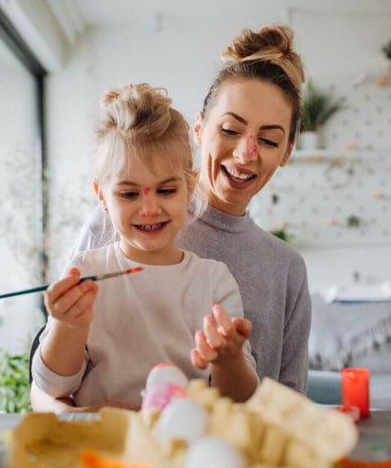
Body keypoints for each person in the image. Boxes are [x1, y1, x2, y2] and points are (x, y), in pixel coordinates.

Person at [31, 23, 311, 413]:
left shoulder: (282, 269)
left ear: (286, 151)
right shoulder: (114, 222)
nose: (247, 153)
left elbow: (289, 407)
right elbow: (47, 387)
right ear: (199, 127)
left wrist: (226, 360)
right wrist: (85, 421)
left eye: (268, 139)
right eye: (230, 129)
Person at [31, 83, 258, 411]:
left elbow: (242, 400)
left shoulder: (213, 281)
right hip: (101, 448)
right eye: (129, 194)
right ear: (102, 197)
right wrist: (69, 326)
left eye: (166, 191)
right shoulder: (86, 273)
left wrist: (228, 359)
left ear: (188, 188)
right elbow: (52, 386)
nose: (149, 209)